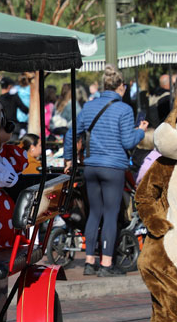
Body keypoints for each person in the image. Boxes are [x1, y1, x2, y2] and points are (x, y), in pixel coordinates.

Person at [63, 65, 148, 277]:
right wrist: (140, 132)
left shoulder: (89, 107)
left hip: (91, 167)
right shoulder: (124, 109)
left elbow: (70, 135)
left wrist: (68, 159)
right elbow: (128, 141)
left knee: (94, 213)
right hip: (114, 167)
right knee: (111, 215)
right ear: (122, 87)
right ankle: (107, 264)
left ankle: (90, 262)